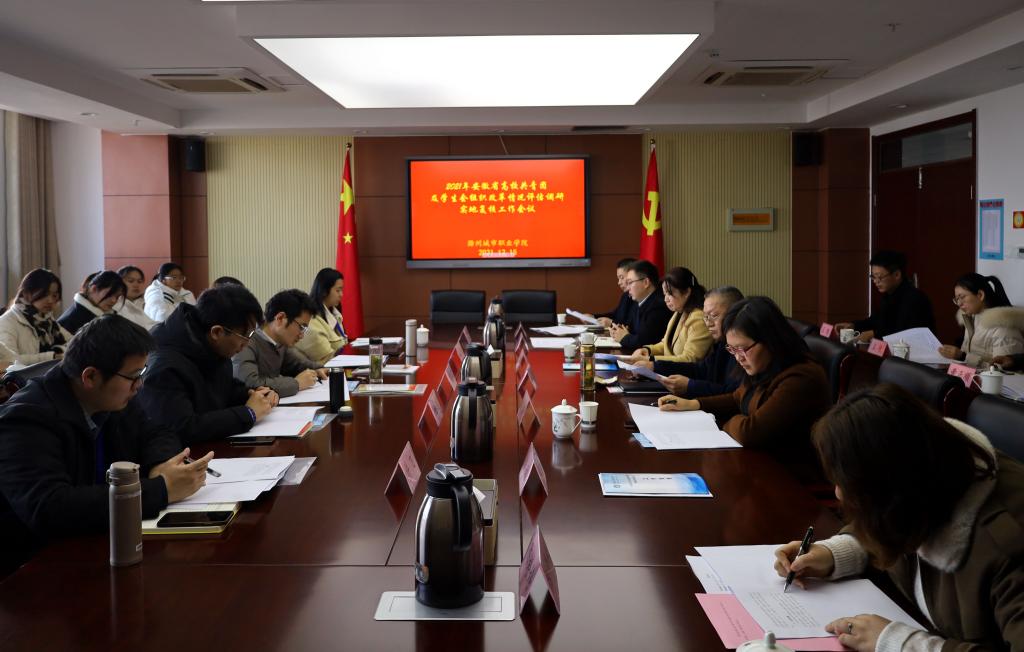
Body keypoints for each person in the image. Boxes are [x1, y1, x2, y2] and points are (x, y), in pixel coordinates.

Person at [773, 384, 1024, 652]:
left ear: (894, 486)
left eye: (848, 484)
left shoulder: (1009, 544)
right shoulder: (926, 472)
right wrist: (835, 553)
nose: (838, 493)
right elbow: (894, 523)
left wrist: (903, 644)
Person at [0, 315, 210, 574]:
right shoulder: (25, 419)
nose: (139, 385)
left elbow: (156, 431)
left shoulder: (111, 396)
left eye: (142, 373)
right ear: (90, 376)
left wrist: (161, 465)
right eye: (133, 376)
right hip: (39, 566)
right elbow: (49, 508)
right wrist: (161, 489)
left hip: (102, 540)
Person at [658, 296, 832, 480]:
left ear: (770, 340)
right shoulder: (765, 366)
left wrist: (729, 422)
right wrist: (694, 404)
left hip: (790, 478)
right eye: (732, 349)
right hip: (760, 466)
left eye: (742, 349)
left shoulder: (801, 378)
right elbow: (737, 397)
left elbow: (750, 432)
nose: (738, 357)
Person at [136, 284, 277, 446]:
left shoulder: (211, 345)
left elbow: (221, 390)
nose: (247, 344)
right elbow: (181, 428)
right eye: (245, 336)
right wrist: (248, 413)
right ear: (217, 332)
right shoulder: (164, 366)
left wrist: (252, 395)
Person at [233, 289, 327, 397]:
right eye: (301, 327)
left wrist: (320, 369)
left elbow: (299, 365)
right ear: (280, 318)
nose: (302, 335)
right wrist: (297, 383)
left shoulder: (280, 343)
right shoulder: (246, 341)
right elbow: (249, 383)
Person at [656, 286, 745, 398]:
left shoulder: (745, 349)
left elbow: (733, 394)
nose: (708, 323)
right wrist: (655, 366)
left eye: (714, 316)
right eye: (706, 317)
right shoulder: (722, 343)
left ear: (735, 314)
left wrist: (690, 386)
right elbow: (700, 370)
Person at [837, 251, 935, 342]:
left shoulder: (915, 299)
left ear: (897, 275)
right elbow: (876, 321)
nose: (876, 281)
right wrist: (854, 326)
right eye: (873, 277)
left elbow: (905, 332)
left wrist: (874, 334)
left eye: (879, 277)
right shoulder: (889, 295)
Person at [623, 267, 712, 367]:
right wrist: (647, 350)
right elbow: (666, 344)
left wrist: (651, 359)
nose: (666, 299)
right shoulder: (679, 312)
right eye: (664, 294)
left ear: (687, 292)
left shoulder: (698, 318)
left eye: (670, 294)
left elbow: (689, 359)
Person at [938, 273, 1024, 368]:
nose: (959, 303)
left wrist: (962, 357)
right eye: (956, 299)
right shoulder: (971, 320)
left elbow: (1002, 372)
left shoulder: (1004, 328)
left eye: (962, 297)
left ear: (980, 295)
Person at [0, 268, 71, 365]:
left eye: (54, 295)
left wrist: (58, 351)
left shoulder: (47, 320)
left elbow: (73, 342)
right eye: (45, 294)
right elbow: (10, 361)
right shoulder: (6, 322)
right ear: (26, 292)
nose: (50, 301)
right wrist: (52, 357)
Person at [609, 260, 673, 352]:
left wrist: (624, 337)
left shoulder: (658, 306)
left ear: (646, 282)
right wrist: (619, 331)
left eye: (630, 282)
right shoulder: (639, 302)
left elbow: (644, 342)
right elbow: (631, 329)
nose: (628, 288)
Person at [294, 268, 347, 366]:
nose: (341, 295)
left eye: (341, 290)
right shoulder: (311, 320)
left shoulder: (334, 314)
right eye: (338, 290)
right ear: (324, 291)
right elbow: (328, 359)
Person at [57, 270, 127, 335]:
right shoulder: (72, 319)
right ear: (94, 289)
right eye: (110, 295)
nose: (114, 300)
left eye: (117, 297)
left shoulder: (109, 316)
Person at [584, 258, 637, 327]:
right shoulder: (626, 295)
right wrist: (593, 317)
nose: (619, 283)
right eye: (618, 278)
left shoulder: (639, 297)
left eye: (622, 277)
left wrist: (612, 323)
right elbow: (615, 315)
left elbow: (633, 326)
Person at [114, 265, 157, 330]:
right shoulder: (116, 306)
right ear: (119, 283)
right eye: (131, 281)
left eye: (139, 281)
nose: (136, 285)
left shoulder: (144, 303)